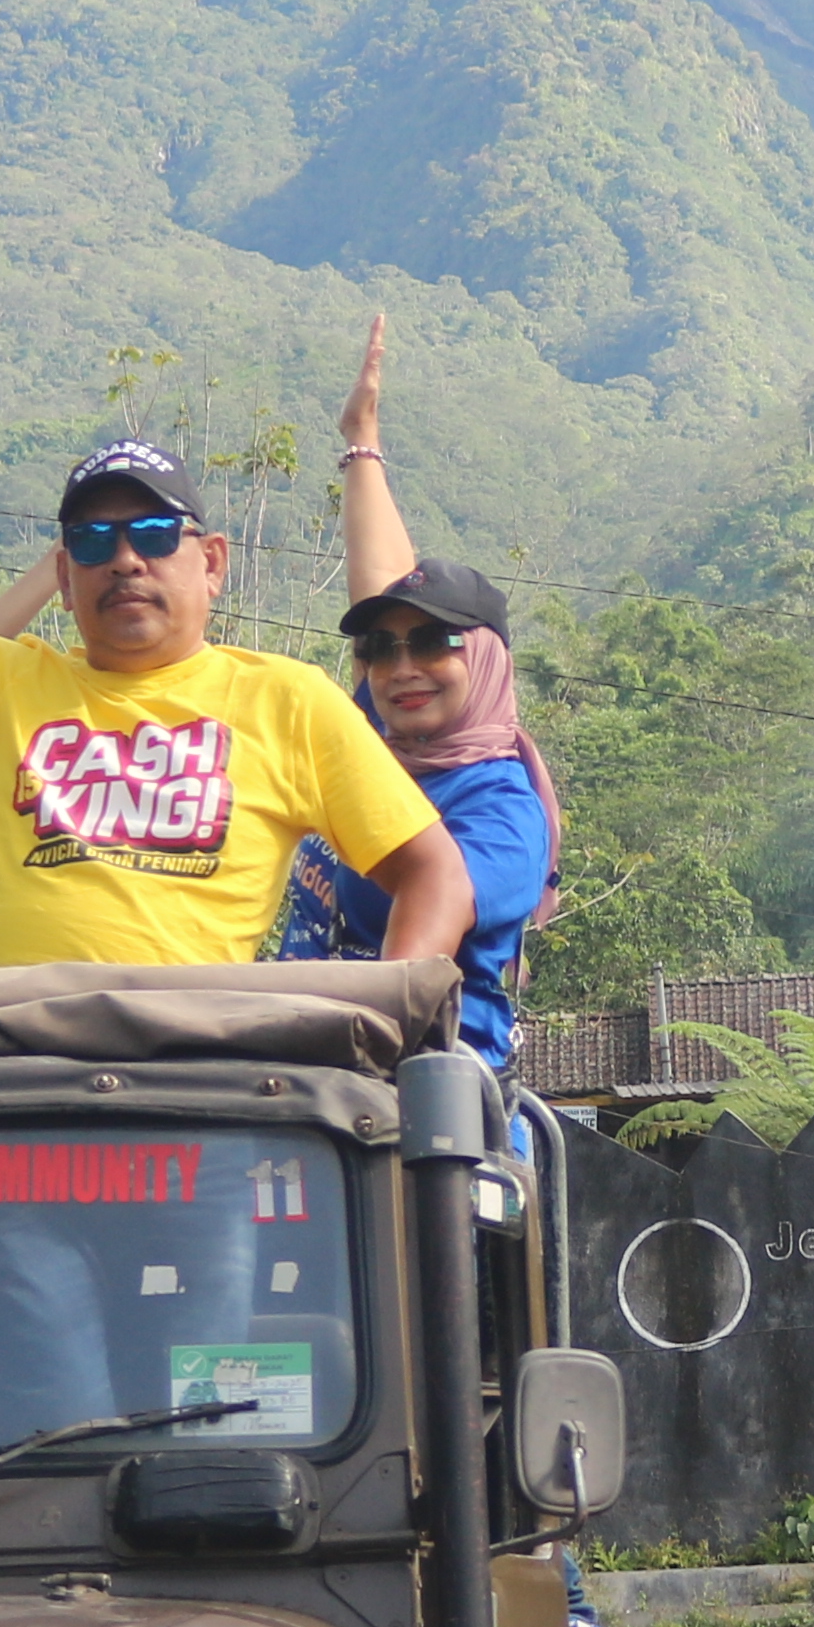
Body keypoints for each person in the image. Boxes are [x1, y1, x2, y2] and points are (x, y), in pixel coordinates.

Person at [0, 319, 472, 1432]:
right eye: (94, 541)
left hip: (192, 1123)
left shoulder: (284, 701)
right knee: (47, 1435)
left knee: (198, 1430)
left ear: (210, 560)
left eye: (154, 532)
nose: (125, 560)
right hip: (0, 1124)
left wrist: (378, 1028)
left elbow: (434, 876)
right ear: (62, 573)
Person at [262, 313, 555, 1074]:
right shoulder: (380, 740)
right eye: (378, 650)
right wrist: (361, 443)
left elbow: (436, 910)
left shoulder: (501, 812)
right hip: (308, 1082)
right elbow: (379, 578)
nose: (400, 669)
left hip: (428, 1106)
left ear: (486, 662)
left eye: (434, 643)